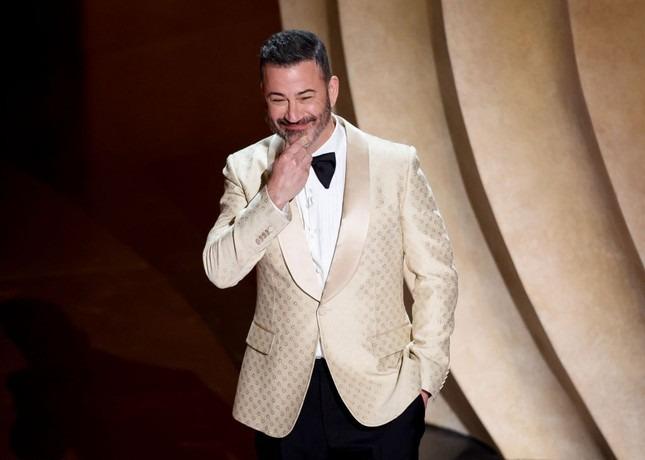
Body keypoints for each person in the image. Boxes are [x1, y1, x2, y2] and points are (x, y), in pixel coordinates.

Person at [203, 29, 458, 460]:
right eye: (278, 99)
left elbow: (436, 274)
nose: (292, 114)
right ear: (263, 95)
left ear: (332, 89)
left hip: (382, 394)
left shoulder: (394, 164)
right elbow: (220, 271)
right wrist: (272, 197)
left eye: (305, 97)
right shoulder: (245, 169)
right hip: (284, 399)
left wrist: (425, 378)